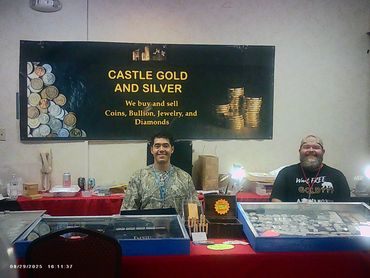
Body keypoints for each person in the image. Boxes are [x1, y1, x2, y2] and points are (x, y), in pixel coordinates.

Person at [121, 132, 199, 213]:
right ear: (152, 150)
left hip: (176, 225)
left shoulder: (185, 178)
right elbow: (127, 212)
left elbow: (194, 213)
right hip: (147, 225)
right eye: (157, 146)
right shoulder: (138, 177)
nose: (161, 150)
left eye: (165, 146)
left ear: (172, 149)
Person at [270, 135, 350, 203]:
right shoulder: (285, 174)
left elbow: (345, 207)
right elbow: (276, 201)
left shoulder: (337, 176)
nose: (311, 150)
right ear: (299, 151)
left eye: (316, 147)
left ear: (323, 152)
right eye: (306, 147)